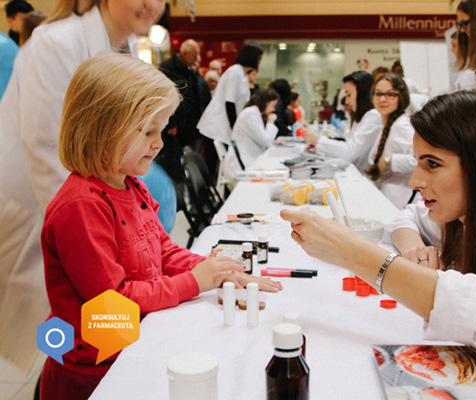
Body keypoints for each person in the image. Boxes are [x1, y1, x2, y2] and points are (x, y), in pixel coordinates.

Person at [281, 89, 476, 400]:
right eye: (418, 162)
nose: (416, 181)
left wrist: (357, 255)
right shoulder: (470, 209)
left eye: (432, 164)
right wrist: (413, 250)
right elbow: (406, 219)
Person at [40, 53, 281, 400]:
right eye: (147, 130)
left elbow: (162, 250)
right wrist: (194, 282)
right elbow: (115, 302)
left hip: (132, 347)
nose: (159, 142)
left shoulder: (130, 183)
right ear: (102, 128)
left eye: (162, 129)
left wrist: (217, 270)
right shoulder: (81, 207)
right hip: (92, 372)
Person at [0, 0, 166, 375]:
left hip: (91, 209)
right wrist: (96, 229)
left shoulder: (125, 47)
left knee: (91, 338)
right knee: (64, 342)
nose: (152, 4)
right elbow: (45, 151)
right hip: (35, 205)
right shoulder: (54, 42)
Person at [304, 70, 382, 172]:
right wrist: (320, 147)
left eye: (349, 95)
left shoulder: (373, 117)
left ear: (362, 94)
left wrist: (318, 140)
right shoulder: (361, 118)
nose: (346, 101)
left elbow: (350, 151)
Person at [156, 39, 211, 182]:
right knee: (175, 162)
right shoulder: (167, 68)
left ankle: (189, 187)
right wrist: (170, 123)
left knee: (190, 158)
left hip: (190, 124)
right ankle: (178, 190)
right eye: (194, 56)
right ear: (185, 53)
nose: (196, 60)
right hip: (175, 125)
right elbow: (163, 97)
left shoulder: (188, 69)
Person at [365, 73, 416, 209]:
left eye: (390, 94)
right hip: (388, 196)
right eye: (378, 94)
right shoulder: (388, 124)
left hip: (400, 199)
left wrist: (390, 160)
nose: (382, 99)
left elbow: (419, 161)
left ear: (401, 97)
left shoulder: (403, 125)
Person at [197, 42, 263, 146]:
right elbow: (230, 103)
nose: (259, 62)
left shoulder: (243, 75)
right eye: (259, 59)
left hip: (223, 126)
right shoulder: (235, 72)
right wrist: (235, 129)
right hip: (216, 126)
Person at [222, 87, 279, 186]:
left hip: (247, 162)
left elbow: (261, 138)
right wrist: (271, 122)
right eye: (273, 105)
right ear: (266, 102)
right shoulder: (250, 114)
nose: (273, 109)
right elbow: (266, 141)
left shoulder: (254, 113)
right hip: (239, 168)